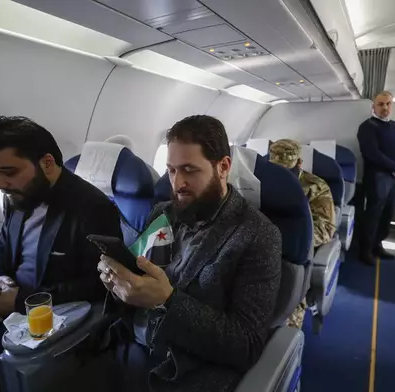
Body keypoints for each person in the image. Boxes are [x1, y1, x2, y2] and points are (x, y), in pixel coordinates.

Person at [0, 116, 123, 392]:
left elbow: (101, 284)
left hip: (42, 319)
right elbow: (2, 246)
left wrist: (19, 302)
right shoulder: (17, 196)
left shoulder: (93, 209)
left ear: (47, 163)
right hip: (1, 308)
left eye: (8, 171)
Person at [97, 115, 282, 392]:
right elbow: (140, 273)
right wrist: (118, 283)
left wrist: (168, 301)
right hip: (129, 345)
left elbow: (247, 344)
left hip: (186, 370)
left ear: (223, 166)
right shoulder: (163, 212)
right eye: (171, 170)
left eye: (189, 170)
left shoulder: (258, 236)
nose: (177, 183)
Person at [268, 139, 336, 329]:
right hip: (261, 249)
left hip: (296, 253)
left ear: (299, 163)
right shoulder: (263, 181)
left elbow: (326, 228)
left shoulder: (315, 187)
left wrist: (287, 239)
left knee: (284, 311)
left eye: (286, 171)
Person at [357, 91, 395, 266]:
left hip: (393, 177)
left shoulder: (394, 126)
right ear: (374, 107)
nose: (385, 107)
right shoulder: (368, 127)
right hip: (377, 177)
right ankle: (365, 249)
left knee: (387, 213)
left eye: (388, 103)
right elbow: (372, 154)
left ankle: (377, 244)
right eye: (381, 104)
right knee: (373, 214)